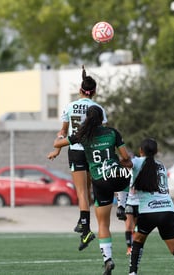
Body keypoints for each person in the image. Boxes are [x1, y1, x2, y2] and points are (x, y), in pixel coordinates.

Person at [48, 105, 133, 275]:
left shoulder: (82, 135)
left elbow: (57, 143)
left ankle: (108, 259)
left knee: (103, 223)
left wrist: (60, 138)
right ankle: (122, 205)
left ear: (87, 119)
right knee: (127, 173)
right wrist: (123, 162)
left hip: (100, 181)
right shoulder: (112, 133)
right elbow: (125, 157)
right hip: (116, 175)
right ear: (102, 118)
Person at [51, 65, 108, 251]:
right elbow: (102, 133)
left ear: (80, 90)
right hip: (93, 151)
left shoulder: (70, 106)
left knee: (82, 192)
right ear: (94, 92)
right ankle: (86, 225)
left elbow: (63, 132)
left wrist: (58, 150)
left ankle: (85, 228)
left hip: (75, 149)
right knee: (90, 190)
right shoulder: (98, 109)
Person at [128, 138, 174, 275]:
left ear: (140, 151)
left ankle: (132, 272)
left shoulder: (137, 162)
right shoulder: (161, 165)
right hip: (167, 210)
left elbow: (125, 160)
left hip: (148, 211)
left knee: (137, 240)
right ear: (157, 151)